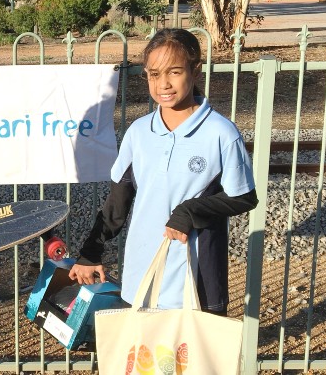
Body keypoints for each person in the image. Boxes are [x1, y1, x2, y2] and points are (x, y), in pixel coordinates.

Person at [69, 28, 258, 314]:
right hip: (141, 278)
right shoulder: (139, 132)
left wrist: (189, 211)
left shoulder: (220, 132)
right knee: (140, 359)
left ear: (195, 71)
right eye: (154, 74)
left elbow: (244, 197)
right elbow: (117, 204)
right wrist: (90, 252)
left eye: (174, 72)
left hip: (195, 285)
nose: (164, 84)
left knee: (189, 359)